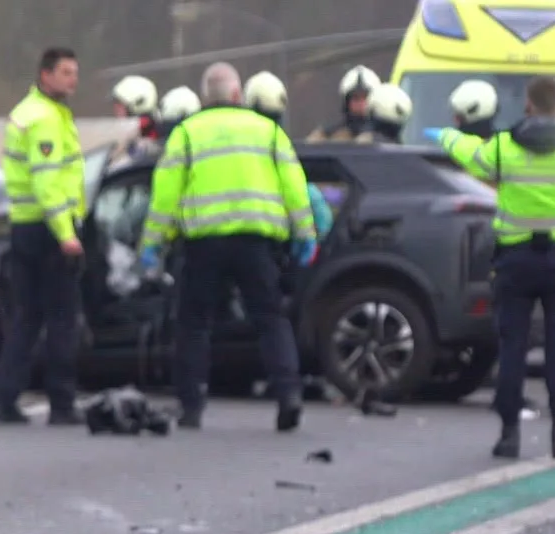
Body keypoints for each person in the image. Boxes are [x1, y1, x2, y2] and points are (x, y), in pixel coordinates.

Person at [139, 63, 315, 432]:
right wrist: (305, 234)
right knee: (270, 319)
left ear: (205, 97)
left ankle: (192, 405)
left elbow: (165, 195)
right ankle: (288, 394)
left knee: (193, 324)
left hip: (204, 244)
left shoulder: (187, 133)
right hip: (257, 242)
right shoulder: (268, 131)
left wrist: (153, 243)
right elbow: (295, 187)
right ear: (238, 94)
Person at [433, 76, 555, 460]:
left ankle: (509, 434)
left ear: (528, 104)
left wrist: (445, 136)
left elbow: (469, 152)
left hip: (515, 261)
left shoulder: (504, 146)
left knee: (512, 348)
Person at [0, 46, 86, 426]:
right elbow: (48, 183)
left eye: (75, 72)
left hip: (25, 225)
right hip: (50, 228)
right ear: (45, 75)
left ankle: (5, 399)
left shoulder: (27, 112)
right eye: (65, 73)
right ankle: (62, 403)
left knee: (27, 319)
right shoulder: (45, 119)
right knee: (62, 319)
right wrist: (66, 234)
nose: (73, 80)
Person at [245, 71, 333, 246]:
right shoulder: (279, 143)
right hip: (273, 244)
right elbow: (299, 191)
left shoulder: (237, 146)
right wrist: (307, 235)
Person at [308, 65, 378, 142]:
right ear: (347, 103)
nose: (361, 104)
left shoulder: (385, 134)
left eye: (366, 98)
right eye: (356, 99)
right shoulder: (329, 136)